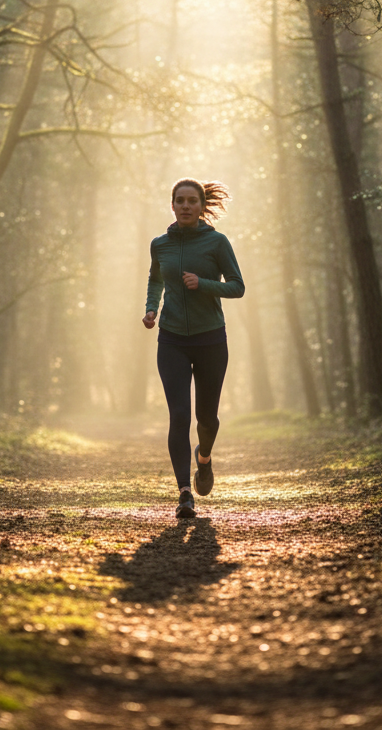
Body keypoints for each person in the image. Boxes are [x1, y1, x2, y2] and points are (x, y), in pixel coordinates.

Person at [143, 178, 245, 519]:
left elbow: (237, 287)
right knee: (179, 416)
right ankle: (185, 493)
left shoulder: (216, 242)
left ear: (201, 207)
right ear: (172, 205)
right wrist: (151, 308)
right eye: (180, 201)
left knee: (206, 419)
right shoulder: (160, 244)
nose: (186, 206)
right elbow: (156, 278)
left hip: (210, 339)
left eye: (192, 201)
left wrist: (203, 284)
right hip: (171, 339)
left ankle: (204, 458)